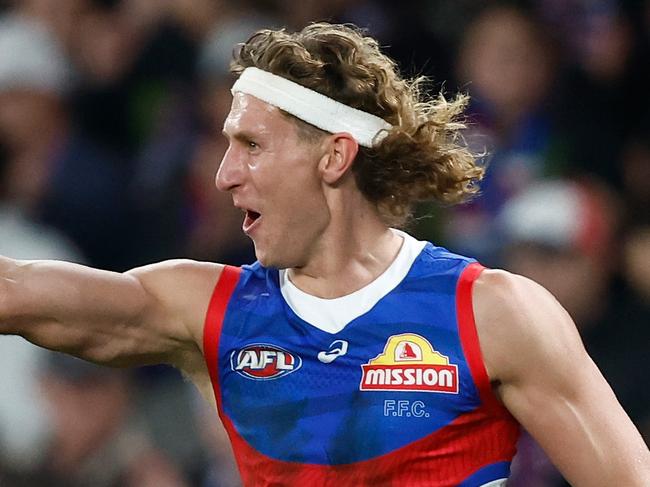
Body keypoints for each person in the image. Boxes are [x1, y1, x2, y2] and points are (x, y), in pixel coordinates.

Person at [0, 23, 649, 486]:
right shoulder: (205, 310)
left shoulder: (494, 314)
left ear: (335, 155)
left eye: (251, 144)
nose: (224, 174)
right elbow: (17, 289)